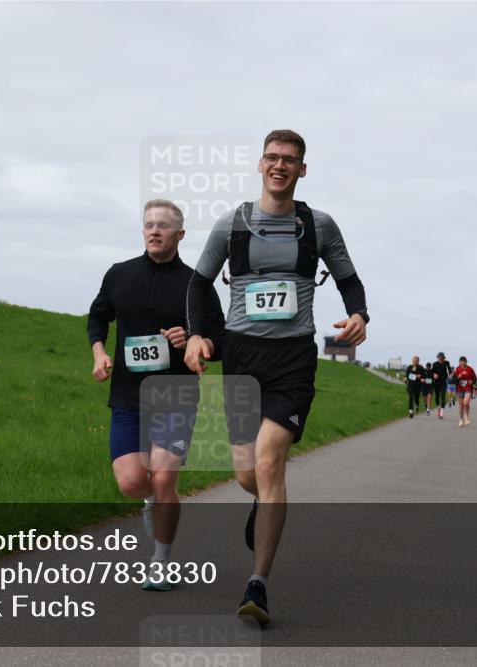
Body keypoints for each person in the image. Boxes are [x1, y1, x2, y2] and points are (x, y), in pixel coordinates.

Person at [184, 130, 368, 625]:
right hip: (242, 357)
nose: (280, 165)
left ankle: (257, 584)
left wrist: (360, 315)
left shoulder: (318, 225)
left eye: (290, 159)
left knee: (268, 463)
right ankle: (266, 506)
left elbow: (348, 277)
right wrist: (200, 335)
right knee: (248, 474)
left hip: (292, 359)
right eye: (272, 157)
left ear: (302, 170)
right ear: (259, 165)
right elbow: (199, 284)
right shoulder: (232, 224)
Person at [87, 199, 225, 590]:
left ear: (180, 234)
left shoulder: (196, 285)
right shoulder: (119, 275)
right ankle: (153, 503)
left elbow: (222, 339)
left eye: (164, 225)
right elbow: (98, 317)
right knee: (132, 482)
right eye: (149, 224)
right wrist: (99, 352)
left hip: (176, 395)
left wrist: (196, 340)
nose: (154, 230)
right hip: (129, 396)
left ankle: (161, 561)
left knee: (164, 479)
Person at [451, 356, 477, 427]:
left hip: (468, 389)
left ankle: (467, 416)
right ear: (459, 362)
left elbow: (475, 378)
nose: (462, 363)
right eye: (461, 361)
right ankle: (461, 420)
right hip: (459, 389)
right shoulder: (457, 369)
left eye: (463, 361)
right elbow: (453, 380)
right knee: (461, 406)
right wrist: (458, 377)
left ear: (466, 362)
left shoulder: (470, 369)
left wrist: (472, 381)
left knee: (465, 403)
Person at [430, 352, 451, 419]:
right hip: (436, 382)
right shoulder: (435, 364)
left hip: (444, 382)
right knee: (437, 397)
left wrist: (450, 375)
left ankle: (441, 412)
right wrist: (434, 375)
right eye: (439, 357)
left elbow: (449, 371)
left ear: (443, 357)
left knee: (442, 396)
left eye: (441, 357)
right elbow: (431, 372)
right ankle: (438, 407)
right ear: (437, 357)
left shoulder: (446, 363)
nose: (440, 358)